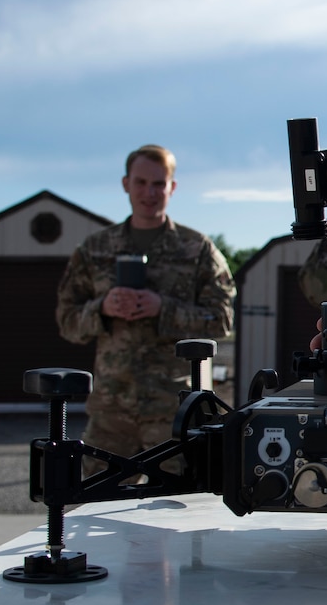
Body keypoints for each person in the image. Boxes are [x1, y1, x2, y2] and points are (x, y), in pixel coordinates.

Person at [55, 145, 235, 460]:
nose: (149, 193)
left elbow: (222, 320)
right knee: (99, 503)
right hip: (111, 414)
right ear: (126, 184)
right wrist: (103, 308)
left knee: (177, 507)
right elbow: (67, 320)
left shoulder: (197, 250)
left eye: (158, 184)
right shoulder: (95, 250)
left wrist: (163, 308)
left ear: (172, 187)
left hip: (174, 413)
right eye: (141, 183)